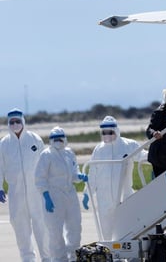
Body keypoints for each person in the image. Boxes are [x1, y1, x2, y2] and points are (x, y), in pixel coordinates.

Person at [82, 115, 147, 241]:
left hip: (124, 196)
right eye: (104, 132)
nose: (107, 135)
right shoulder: (99, 149)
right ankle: (110, 255)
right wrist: (87, 193)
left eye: (110, 132)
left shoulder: (128, 145)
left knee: (127, 228)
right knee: (106, 231)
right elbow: (93, 174)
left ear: (116, 130)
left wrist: (157, 154)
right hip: (104, 198)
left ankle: (130, 256)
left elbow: (143, 156)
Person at [0, 108, 50, 262]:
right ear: (8, 124)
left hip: (36, 190)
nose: (15, 124)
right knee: (20, 225)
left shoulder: (35, 139)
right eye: (12, 122)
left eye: (18, 121)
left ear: (23, 122)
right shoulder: (4, 144)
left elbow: (45, 164)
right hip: (16, 192)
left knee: (42, 224)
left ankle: (47, 257)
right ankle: (27, 258)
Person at [35, 126, 88, 262]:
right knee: (55, 231)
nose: (58, 141)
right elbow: (40, 178)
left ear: (65, 139)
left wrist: (80, 176)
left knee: (75, 227)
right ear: (50, 140)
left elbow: (73, 173)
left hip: (70, 194)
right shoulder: (46, 154)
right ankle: (59, 258)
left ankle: (73, 257)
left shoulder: (69, 153)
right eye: (55, 139)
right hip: (54, 195)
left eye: (60, 138)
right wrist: (46, 196)